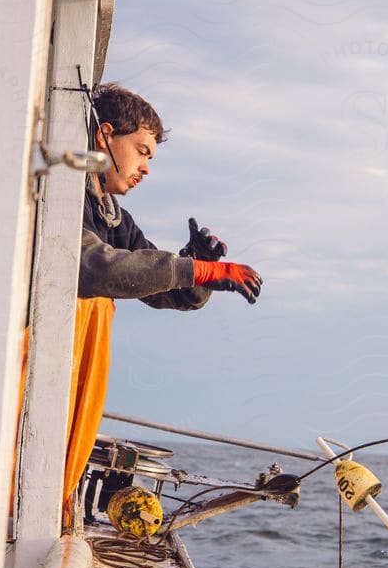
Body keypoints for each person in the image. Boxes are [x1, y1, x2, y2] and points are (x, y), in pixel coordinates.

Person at [61, 84, 263, 519]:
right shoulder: (62, 192)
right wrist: (201, 271)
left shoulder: (114, 215)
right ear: (104, 136)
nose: (146, 168)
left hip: (72, 384)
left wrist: (197, 264)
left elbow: (163, 287)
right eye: (142, 150)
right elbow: (96, 267)